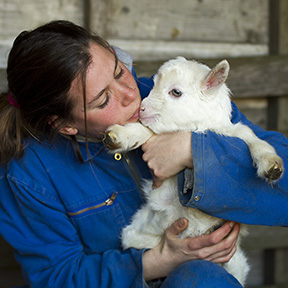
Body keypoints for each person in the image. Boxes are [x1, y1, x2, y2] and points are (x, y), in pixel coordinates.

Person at [0, 20, 287, 288]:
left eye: (119, 70)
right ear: (63, 125)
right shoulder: (28, 174)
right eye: (104, 99)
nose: (130, 93)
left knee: (201, 277)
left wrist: (194, 152)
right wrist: (160, 259)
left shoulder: (182, 99)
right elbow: (56, 277)